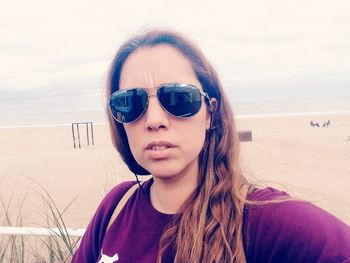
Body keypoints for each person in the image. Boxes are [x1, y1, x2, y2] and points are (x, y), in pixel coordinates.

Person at [72, 29, 350, 263]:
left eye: (179, 98)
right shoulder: (116, 207)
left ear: (210, 113)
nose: (154, 120)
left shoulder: (261, 220)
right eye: (130, 102)